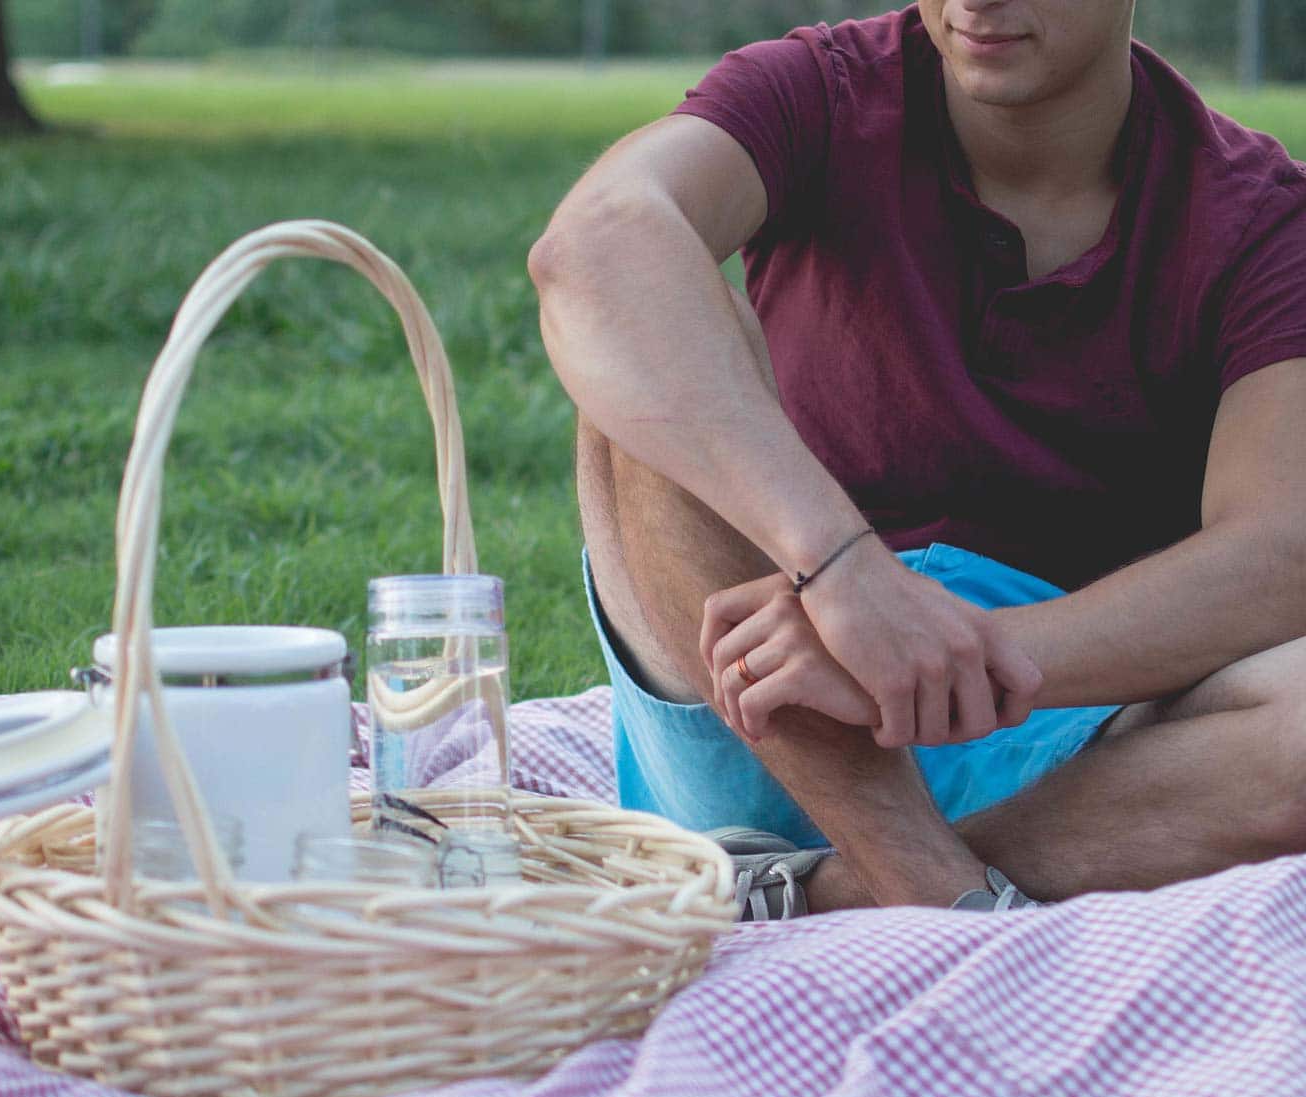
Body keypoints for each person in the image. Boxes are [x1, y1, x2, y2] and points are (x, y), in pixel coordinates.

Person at [527, 0, 1306, 918]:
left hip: (1064, 756)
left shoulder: (1259, 215)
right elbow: (594, 247)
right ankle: (939, 893)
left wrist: (942, 660)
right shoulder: (820, 90)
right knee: (646, 351)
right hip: (767, 714)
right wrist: (846, 580)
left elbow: (1281, 552)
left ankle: (812, 895)